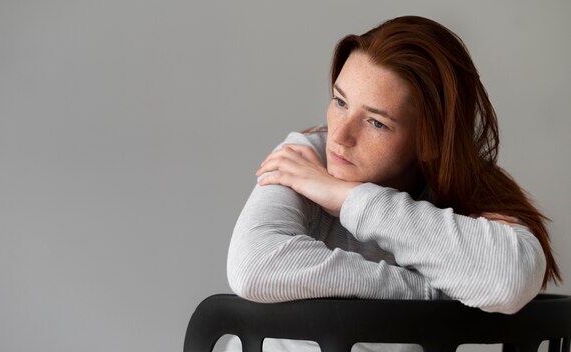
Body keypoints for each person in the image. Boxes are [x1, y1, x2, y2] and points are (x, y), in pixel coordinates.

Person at [222, 15, 561, 352]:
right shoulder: (303, 159)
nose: (339, 136)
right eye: (340, 102)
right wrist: (432, 292)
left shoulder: (468, 192)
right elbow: (253, 267)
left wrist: (349, 199)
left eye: (376, 122)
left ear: (431, 141)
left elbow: (507, 278)